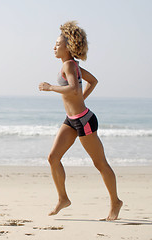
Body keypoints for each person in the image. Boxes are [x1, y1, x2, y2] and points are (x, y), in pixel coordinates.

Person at [38, 21, 123, 221]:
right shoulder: (73, 65)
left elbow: (74, 89)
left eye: (58, 44)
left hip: (84, 121)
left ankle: (115, 202)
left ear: (68, 47)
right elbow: (93, 81)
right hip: (72, 119)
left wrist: (51, 87)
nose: (54, 47)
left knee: (100, 163)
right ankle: (63, 198)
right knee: (53, 157)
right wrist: (80, 99)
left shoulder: (69, 65)